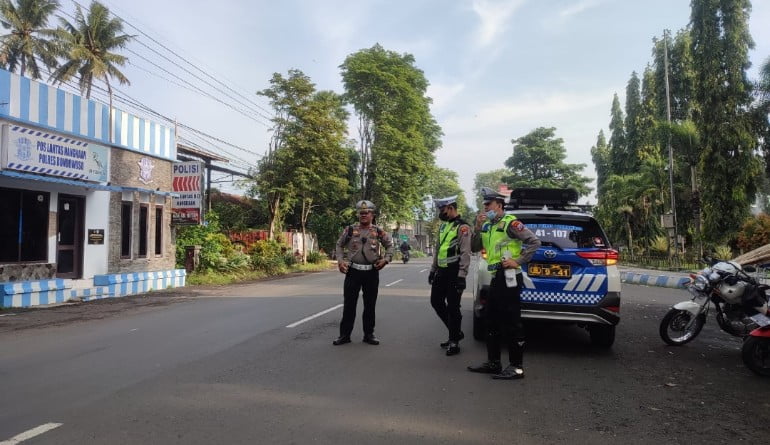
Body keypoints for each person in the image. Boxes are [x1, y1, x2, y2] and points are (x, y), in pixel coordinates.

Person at [468, 187, 541, 379]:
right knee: (490, 321)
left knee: (512, 323)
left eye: (488, 205)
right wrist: (477, 227)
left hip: (509, 277)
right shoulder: (487, 226)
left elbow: (534, 242)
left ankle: (516, 367)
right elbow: (474, 247)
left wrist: (517, 261)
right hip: (496, 279)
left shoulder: (511, 223)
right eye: (484, 205)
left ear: (499, 205)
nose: (485, 208)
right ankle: (494, 362)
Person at [333, 200, 395, 346]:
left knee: (370, 305)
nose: (363, 215)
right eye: (361, 213)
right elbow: (339, 245)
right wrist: (340, 261)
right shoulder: (350, 230)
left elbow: (390, 246)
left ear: (372, 215)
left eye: (366, 213)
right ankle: (344, 335)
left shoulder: (379, 231)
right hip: (353, 272)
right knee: (349, 305)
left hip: (371, 273)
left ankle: (369, 334)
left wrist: (386, 259)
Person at [428, 196, 472, 356]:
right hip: (441, 271)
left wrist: (462, 275)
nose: (441, 213)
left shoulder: (463, 227)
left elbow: (466, 253)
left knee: (453, 307)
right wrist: (433, 270)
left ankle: (454, 341)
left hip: (455, 273)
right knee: (435, 301)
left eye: (442, 210)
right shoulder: (443, 226)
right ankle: (456, 331)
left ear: (451, 208)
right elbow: (438, 249)